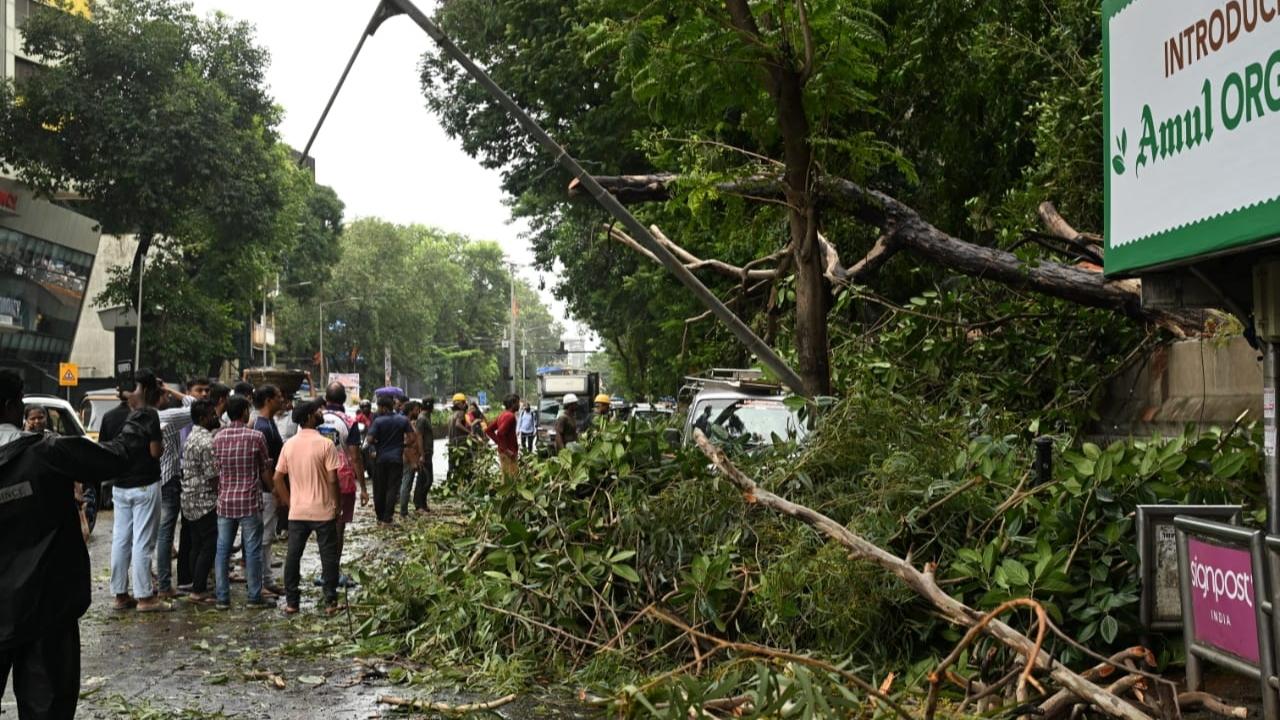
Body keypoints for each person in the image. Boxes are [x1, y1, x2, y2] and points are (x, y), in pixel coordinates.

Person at [0, 369, 151, 719]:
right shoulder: (47, 452)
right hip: (47, 607)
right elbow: (116, 456)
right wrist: (139, 412)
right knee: (47, 707)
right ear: (11, 407)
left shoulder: (45, 451)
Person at [105, 369, 168, 613]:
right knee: (143, 541)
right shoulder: (149, 415)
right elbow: (155, 452)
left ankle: (120, 595)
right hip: (144, 484)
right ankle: (144, 597)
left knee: (120, 539)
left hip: (120, 486)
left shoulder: (110, 417)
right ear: (149, 388)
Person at [274, 400, 342, 615]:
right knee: (328, 557)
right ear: (309, 417)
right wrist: (336, 504)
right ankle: (330, 602)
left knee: (293, 556)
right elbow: (333, 480)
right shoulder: (326, 445)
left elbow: (277, 478)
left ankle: (292, 602)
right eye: (316, 411)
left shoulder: (289, 445)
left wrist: (288, 501)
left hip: (298, 512)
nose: (320, 413)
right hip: (323, 510)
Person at [212, 396, 273, 610]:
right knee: (253, 549)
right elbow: (265, 469)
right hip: (248, 501)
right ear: (245, 412)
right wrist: (273, 489)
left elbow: (217, 468)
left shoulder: (218, 437)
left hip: (225, 502)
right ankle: (254, 597)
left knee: (222, 550)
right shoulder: (256, 437)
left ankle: (222, 598)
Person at [319, 382, 366, 573]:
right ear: (343, 399)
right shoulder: (349, 421)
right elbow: (355, 456)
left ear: (326, 399)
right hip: (342, 480)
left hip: (318, 477)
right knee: (338, 527)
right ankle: (333, 570)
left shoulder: (313, 418)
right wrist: (363, 487)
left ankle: (325, 568)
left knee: (322, 526)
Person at [154, 383, 194, 600]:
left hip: (151, 481)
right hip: (169, 479)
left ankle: (152, 582)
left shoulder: (141, 416)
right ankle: (164, 585)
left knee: (148, 535)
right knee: (165, 535)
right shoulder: (169, 416)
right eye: (164, 394)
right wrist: (172, 389)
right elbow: (196, 406)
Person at [180, 399, 221, 604]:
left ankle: (197, 585)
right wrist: (222, 495)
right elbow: (212, 476)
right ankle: (198, 589)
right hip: (204, 500)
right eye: (213, 414)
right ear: (204, 418)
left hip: (189, 499)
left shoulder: (191, 436)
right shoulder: (206, 442)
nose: (217, 417)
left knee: (197, 544)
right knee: (209, 545)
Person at [251, 385, 286, 597]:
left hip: (269, 487)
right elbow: (263, 465)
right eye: (279, 396)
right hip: (265, 489)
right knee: (262, 537)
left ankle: (267, 579)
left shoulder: (269, 423)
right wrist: (274, 489)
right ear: (268, 400)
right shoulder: (262, 427)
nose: (282, 399)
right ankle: (261, 582)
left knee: (267, 536)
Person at [367, 395, 412, 524]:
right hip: (396, 459)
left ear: (384, 408)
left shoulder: (378, 421)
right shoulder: (403, 420)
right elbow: (412, 437)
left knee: (380, 488)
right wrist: (402, 445)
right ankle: (388, 517)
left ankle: (380, 516)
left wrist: (377, 442)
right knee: (392, 488)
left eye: (379, 407)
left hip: (381, 459)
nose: (377, 410)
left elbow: (369, 439)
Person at [398, 401, 424, 518]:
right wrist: (413, 461)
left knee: (406, 483)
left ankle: (404, 510)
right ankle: (403, 512)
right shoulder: (405, 423)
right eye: (416, 409)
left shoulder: (409, 422)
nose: (418, 412)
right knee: (406, 484)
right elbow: (406, 444)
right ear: (410, 411)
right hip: (408, 458)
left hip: (411, 457)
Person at [486, 394, 520, 477]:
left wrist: (500, 445)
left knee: (506, 477)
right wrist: (507, 450)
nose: (519, 405)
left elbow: (489, 430)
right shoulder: (510, 416)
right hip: (509, 454)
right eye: (518, 402)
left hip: (504, 453)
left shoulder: (502, 415)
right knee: (511, 480)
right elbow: (500, 432)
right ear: (513, 403)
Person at [411, 397, 435, 511]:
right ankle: (419, 503)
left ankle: (422, 503)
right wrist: (421, 455)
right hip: (424, 453)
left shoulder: (426, 417)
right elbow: (419, 436)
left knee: (425, 478)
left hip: (428, 452)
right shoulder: (422, 419)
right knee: (426, 479)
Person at [445, 394, 470, 486]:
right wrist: (469, 432)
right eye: (464, 403)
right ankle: (463, 484)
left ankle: (450, 483)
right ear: (461, 404)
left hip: (452, 443)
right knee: (463, 465)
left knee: (452, 465)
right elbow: (458, 424)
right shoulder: (461, 413)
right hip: (460, 444)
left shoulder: (451, 415)